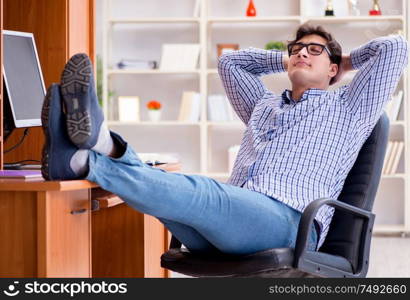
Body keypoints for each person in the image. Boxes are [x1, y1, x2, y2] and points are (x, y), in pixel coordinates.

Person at [41, 24, 408, 256]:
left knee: (203, 192)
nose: (301, 52)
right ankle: (94, 151)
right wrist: (289, 59)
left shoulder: (349, 107)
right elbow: (230, 62)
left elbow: (396, 49)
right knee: (160, 190)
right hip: (232, 224)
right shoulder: (263, 105)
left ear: (332, 69)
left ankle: (92, 154)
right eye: (296, 48)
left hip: (290, 223)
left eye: (314, 50)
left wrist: (344, 60)